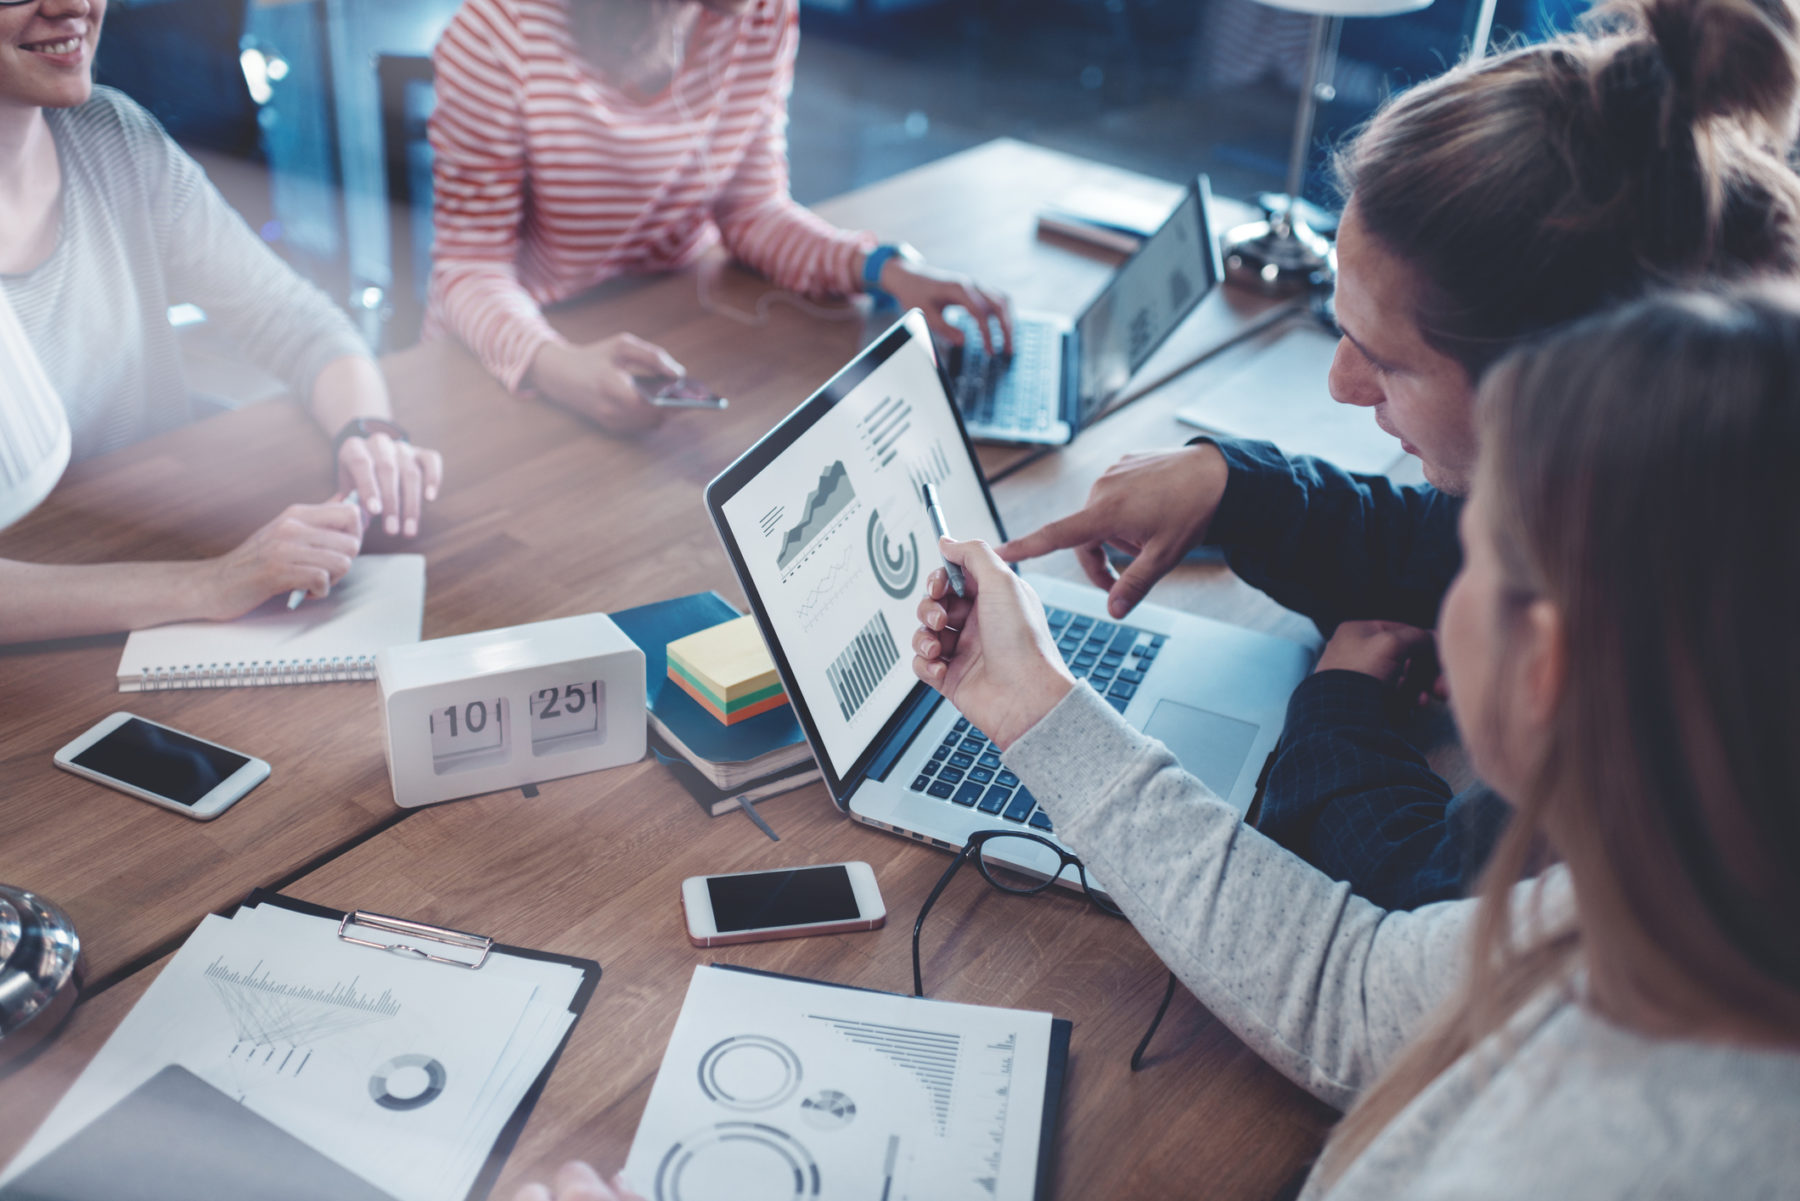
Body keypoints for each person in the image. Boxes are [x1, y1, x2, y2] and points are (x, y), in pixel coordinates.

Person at [906, 283, 1800, 1197]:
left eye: (1469, 557)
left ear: (1544, 663)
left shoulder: (1589, 1149)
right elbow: (1356, 990)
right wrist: (1031, 705)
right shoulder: (1680, 893)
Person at [998, 0, 1800, 909]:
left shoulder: (1689, 665)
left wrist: (1338, 711)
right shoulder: (1677, 481)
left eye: (1386, 359)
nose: (1342, 386)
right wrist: (1232, 485)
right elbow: (1441, 543)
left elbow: (1435, 922)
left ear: (1548, 387)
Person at [0, 0, 445, 642]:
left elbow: (293, 317)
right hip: (61, 636)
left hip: (166, 536)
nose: (73, 6)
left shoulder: (113, 134)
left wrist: (367, 431)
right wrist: (208, 584)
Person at [426, 0, 1013, 433]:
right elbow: (468, 268)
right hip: (516, 351)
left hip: (675, 323)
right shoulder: (498, 33)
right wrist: (553, 364)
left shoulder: (760, 14)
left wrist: (883, 269)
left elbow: (752, 209)